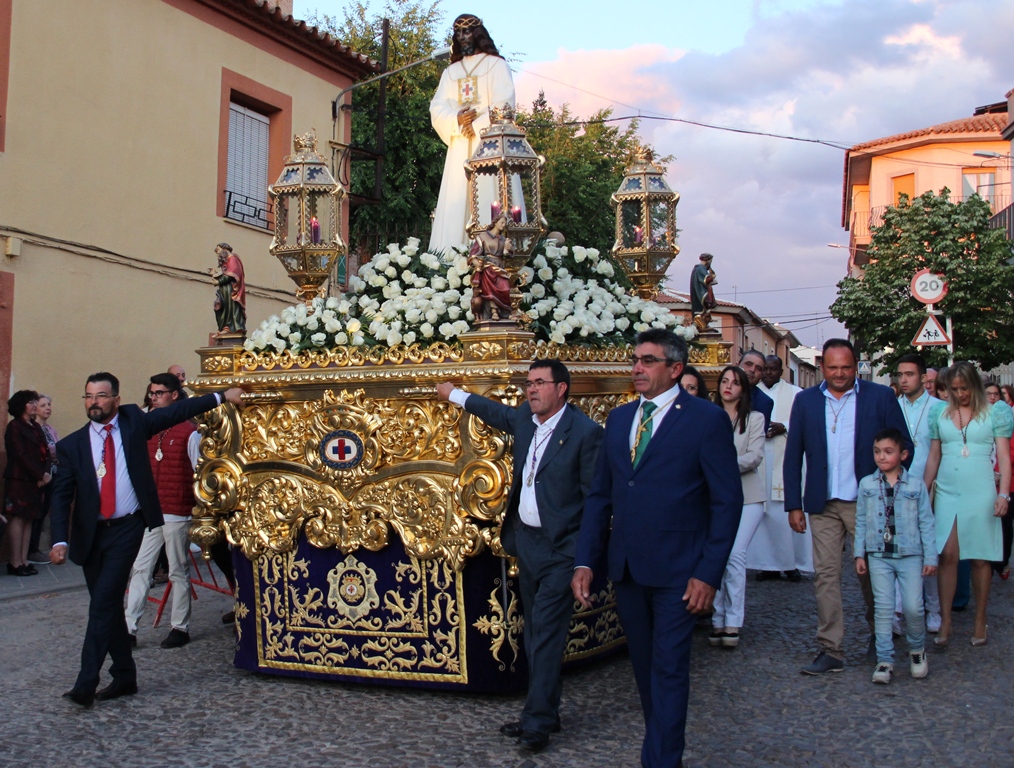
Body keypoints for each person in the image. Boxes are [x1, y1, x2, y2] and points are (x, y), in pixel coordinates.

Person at [572, 329, 742, 768]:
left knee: (668, 670)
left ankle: (660, 761)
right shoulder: (621, 419)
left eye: (648, 361)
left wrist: (708, 573)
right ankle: (664, 752)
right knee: (647, 671)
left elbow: (726, 502)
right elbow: (601, 497)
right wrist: (587, 561)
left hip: (680, 574)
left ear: (675, 368)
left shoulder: (705, 420)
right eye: (636, 360)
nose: (637, 368)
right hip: (628, 569)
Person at [436, 360, 602, 754]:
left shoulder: (584, 434)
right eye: (529, 383)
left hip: (562, 548)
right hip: (526, 543)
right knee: (533, 631)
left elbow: (595, 501)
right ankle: (548, 708)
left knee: (545, 632)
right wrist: (454, 395)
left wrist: (585, 559)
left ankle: (538, 722)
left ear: (561, 389)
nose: (531, 390)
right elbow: (497, 414)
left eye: (540, 383)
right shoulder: (528, 420)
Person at [49, 372, 244, 707]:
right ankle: (125, 676)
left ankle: (85, 683)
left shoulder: (133, 423)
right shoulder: (71, 446)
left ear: (115, 397)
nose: (93, 402)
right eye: (88, 396)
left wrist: (222, 396)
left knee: (102, 603)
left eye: (100, 395)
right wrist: (58, 541)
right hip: (91, 535)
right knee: (107, 607)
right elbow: (61, 495)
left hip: (127, 528)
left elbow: (176, 412)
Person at [783, 338, 912, 674]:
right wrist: (793, 504)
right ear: (822, 367)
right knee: (825, 575)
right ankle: (831, 650)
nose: (839, 374)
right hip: (822, 503)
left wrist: (891, 486)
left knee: (874, 574)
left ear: (856, 366)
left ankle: (880, 633)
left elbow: (904, 445)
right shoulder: (806, 401)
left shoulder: (880, 396)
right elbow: (793, 452)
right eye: (832, 367)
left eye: (845, 367)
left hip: (867, 504)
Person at [923, 361, 1012, 649]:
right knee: (948, 553)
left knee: (980, 556)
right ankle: (946, 620)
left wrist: (1004, 494)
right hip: (948, 489)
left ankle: (980, 618)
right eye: (953, 389)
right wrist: (924, 491)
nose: (959, 394)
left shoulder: (994, 413)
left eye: (963, 388)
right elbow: (934, 456)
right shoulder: (940, 413)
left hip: (981, 490)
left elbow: (1004, 457)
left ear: (973, 385)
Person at [124, 374, 201, 649]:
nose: (154, 397)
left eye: (159, 392)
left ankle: (180, 627)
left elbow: (198, 473)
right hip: (151, 511)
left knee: (177, 570)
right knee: (140, 568)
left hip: (177, 511)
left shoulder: (189, 432)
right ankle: (129, 628)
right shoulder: (145, 427)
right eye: (152, 393)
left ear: (174, 395)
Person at [854, 428, 936, 684]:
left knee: (913, 606)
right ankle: (885, 659)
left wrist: (930, 557)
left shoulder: (916, 485)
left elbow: (926, 521)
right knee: (884, 608)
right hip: (878, 553)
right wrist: (859, 554)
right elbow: (860, 521)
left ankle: (916, 650)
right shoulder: (867, 484)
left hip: (910, 553)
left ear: (903, 454)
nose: (882, 457)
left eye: (888, 452)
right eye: (877, 452)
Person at [429, 14, 515, 252]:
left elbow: (505, 104)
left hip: (490, 145)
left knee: (491, 197)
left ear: (478, 34)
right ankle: (450, 258)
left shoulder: (497, 65)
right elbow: (437, 106)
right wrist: (456, 120)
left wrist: (476, 124)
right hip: (459, 147)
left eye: (467, 32)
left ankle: (495, 253)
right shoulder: (450, 72)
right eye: (458, 33)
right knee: (456, 200)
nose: (462, 37)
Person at [709, 366, 765, 649]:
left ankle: (733, 620)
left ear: (743, 389)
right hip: (714, 498)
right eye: (725, 381)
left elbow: (754, 456)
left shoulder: (754, 419)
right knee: (716, 555)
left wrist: (721, 466)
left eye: (735, 382)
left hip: (748, 497)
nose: (728, 386)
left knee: (734, 555)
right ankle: (717, 619)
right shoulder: (708, 416)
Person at [894, 353, 944, 634]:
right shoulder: (892, 406)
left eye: (909, 374)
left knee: (928, 549)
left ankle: (932, 608)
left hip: (931, 487)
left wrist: (926, 485)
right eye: (900, 375)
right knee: (899, 550)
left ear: (923, 378)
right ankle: (899, 610)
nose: (903, 380)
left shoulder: (938, 408)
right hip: (898, 487)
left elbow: (939, 451)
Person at [748, 355, 809, 581]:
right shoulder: (753, 394)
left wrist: (785, 426)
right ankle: (766, 564)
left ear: (781, 370)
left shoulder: (795, 393)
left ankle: (791, 563)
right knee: (764, 514)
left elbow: (805, 424)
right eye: (765, 370)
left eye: (773, 369)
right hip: (762, 459)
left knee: (784, 514)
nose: (768, 374)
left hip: (786, 459)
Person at [4, 390, 51, 576]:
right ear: (21, 405)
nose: (34, 405)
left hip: (35, 481)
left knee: (29, 518)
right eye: (31, 402)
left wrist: (45, 473)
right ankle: (15, 562)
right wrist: (39, 475)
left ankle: (23, 560)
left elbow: (46, 451)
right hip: (19, 480)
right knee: (17, 518)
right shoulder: (14, 426)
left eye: (34, 402)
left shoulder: (34, 426)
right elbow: (19, 455)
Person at [27, 393, 59, 563]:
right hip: (40, 476)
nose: (47, 408)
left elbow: (57, 448)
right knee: (36, 512)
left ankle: (36, 548)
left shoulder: (50, 429)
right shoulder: (33, 429)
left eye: (49, 405)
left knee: (45, 510)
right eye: (43, 405)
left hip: (53, 474)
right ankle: (31, 549)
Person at [467, 213, 512, 321]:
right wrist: (476, 262)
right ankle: (493, 311)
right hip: (487, 268)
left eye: (505, 223)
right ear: (495, 222)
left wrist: (506, 248)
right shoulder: (482, 236)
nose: (504, 225)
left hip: (500, 268)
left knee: (505, 289)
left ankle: (505, 313)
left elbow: (507, 256)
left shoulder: (503, 239)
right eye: (502, 222)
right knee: (489, 291)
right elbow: (473, 255)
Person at [210, 243, 246, 334]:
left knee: (229, 309)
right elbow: (225, 274)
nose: (218, 253)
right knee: (219, 307)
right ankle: (223, 327)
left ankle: (229, 328)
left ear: (225, 249)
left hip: (231, 291)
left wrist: (218, 282)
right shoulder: (227, 261)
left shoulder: (233, 259)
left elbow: (231, 275)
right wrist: (215, 274)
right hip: (224, 291)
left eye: (218, 250)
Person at [739, 350, 774, 431]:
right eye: (748, 364)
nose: (752, 370)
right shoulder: (722, 389)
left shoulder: (764, 402)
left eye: (758, 368)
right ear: (737, 365)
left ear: (761, 375)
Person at [689, 253, 717, 320]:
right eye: (710, 261)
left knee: (704, 311)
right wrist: (713, 276)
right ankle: (701, 323)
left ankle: (703, 323)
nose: (710, 263)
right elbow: (706, 279)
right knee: (702, 309)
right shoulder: (700, 268)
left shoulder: (698, 268)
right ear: (707, 260)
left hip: (700, 291)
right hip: (701, 292)